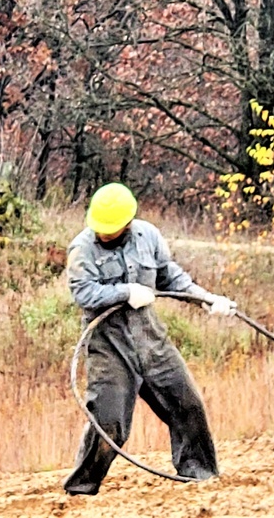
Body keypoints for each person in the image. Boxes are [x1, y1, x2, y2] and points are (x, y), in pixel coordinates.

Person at [63, 182, 237, 496]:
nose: (104, 234)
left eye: (111, 229)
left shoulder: (148, 236)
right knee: (109, 422)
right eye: (100, 229)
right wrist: (125, 292)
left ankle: (200, 477)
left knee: (187, 405)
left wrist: (206, 299)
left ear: (127, 222)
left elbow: (169, 275)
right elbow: (83, 292)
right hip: (109, 347)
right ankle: (81, 490)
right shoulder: (82, 248)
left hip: (151, 340)